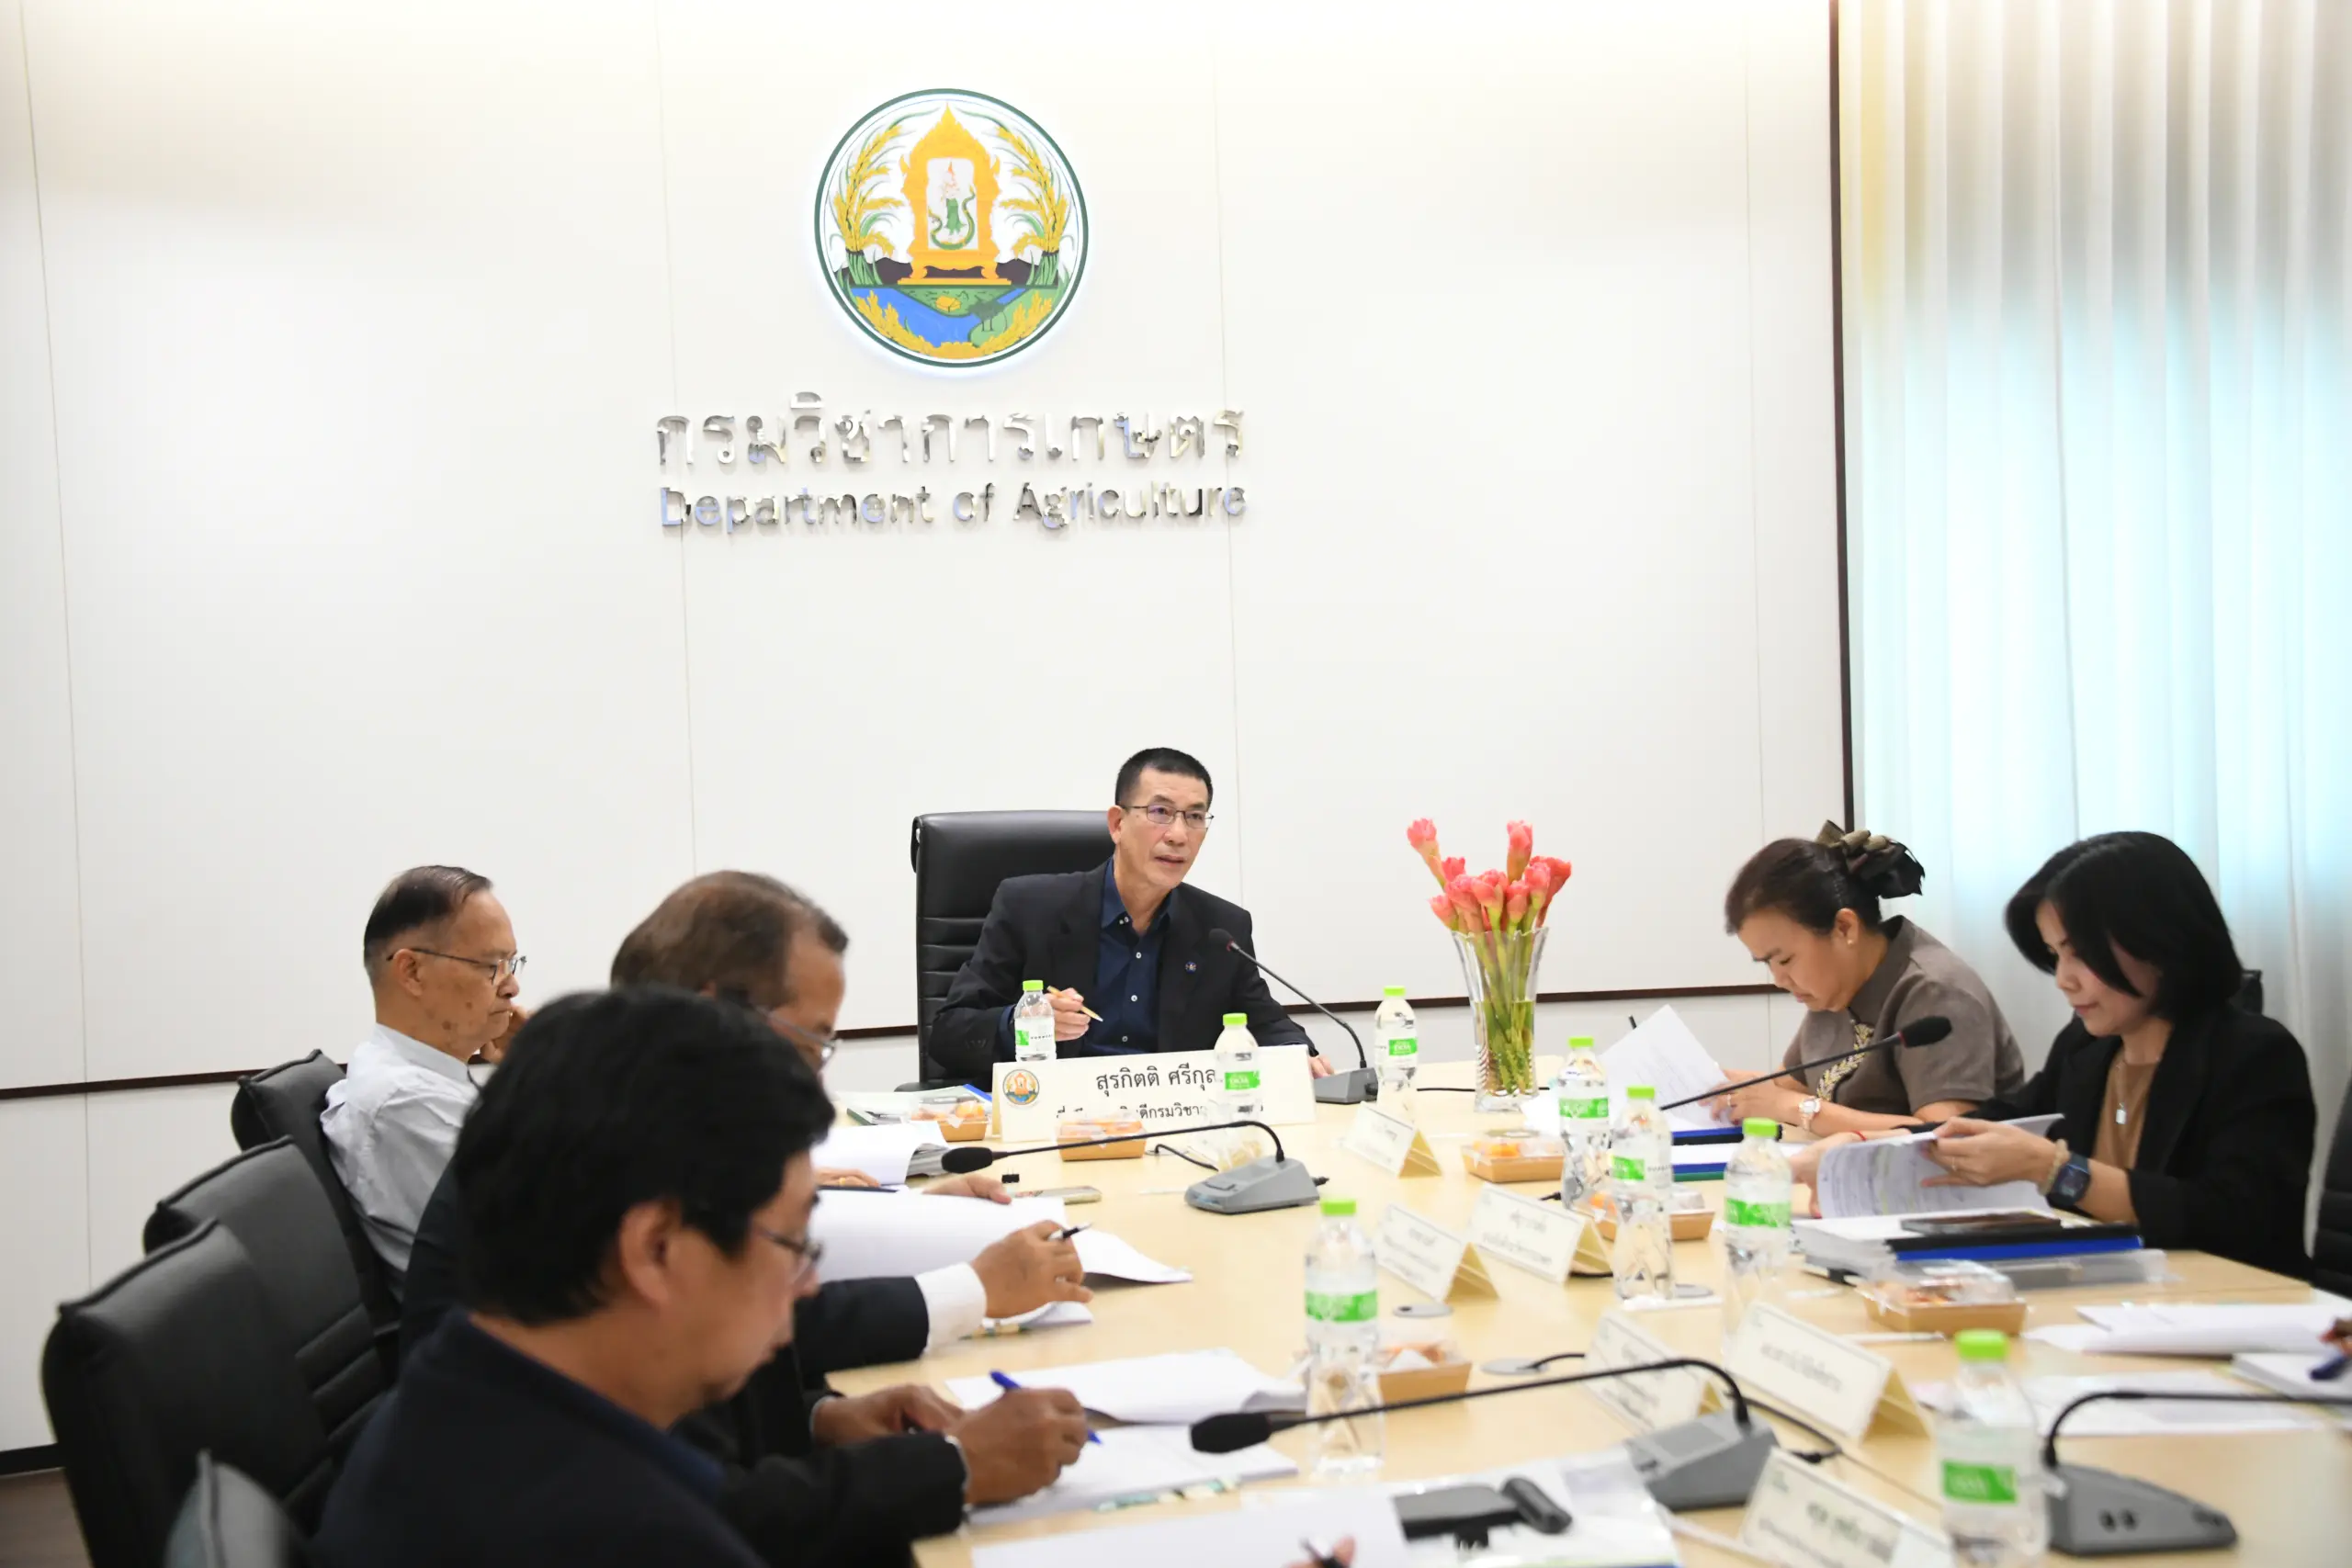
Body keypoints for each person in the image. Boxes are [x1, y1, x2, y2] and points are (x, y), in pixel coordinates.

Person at [403, 871, 1091, 1368]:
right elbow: (763, 1328)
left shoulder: (627, 1087)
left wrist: (828, 1422)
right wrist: (973, 1290)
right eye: (812, 1042)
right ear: (720, 1013)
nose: (815, 1079)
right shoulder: (600, 1131)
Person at [1923, 832, 2316, 1277]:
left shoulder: (2256, 1056)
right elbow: (2003, 1120)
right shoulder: (2087, 1048)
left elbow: (2233, 1218)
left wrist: (2056, 1171)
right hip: (2108, 1293)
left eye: (2080, 953)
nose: (2064, 980)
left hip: (2229, 1301)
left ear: (2160, 940)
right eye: (2054, 955)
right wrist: (1879, 1143)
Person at [930, 747, 1324, 1083]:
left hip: (1173, 1119)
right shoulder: (1030, 908)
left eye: (1195, 816)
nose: (1178, 835)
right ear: (1118, 824)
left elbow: (1266, 1023)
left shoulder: (1220, 928)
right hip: (1056, 1117)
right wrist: (1022, 1024)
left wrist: (1299, 1054)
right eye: (1160, 812)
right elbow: (949, 1034)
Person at [1709, 827, 2026, 1135]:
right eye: (1767, 963)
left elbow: (1946, 1135)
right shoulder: (1836, 989)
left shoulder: (1936, 992)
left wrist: (1797, 1109)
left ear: (1845, 928)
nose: (1779, 980)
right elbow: (1784, 1087)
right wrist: (1720, 1085)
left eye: (1785, 960)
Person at [322, 864, 526, 1291]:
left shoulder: (425, 1077)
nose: (511, 988)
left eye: (512, 964)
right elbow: (547, 1237)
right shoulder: (406, 1102)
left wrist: (529, 1071)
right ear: (412, 972)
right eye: (492, 966)